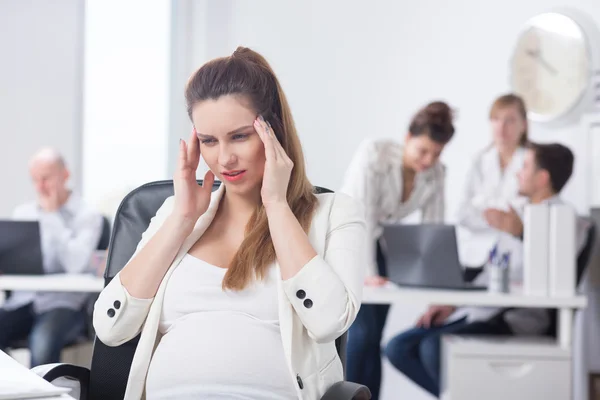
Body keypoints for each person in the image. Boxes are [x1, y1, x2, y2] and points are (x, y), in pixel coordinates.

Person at [92, 47, 367, 400]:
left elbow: (329, 321)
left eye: (239, 136)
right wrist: (182, 219)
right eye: (208, 140)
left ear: (274, 132)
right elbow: (110, 328)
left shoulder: (336, 213)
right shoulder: (175, 214)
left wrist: (278, 206)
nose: (224, 158)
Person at [384, 142, 588, 398]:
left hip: (515, 319)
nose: (517, 173)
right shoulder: (518, 213)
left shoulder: (568, 219)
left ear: (543, 177)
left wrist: (521, 233)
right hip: (480, 309)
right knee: (398, 348)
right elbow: (494, 267)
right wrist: (451, 304)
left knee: (432, 348)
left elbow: (556, 266)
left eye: (525, 167)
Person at [340, 102, 456, 399]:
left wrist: (436, 297)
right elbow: (360, 217)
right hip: (348, 242)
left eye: (437, 153)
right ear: (407, 137)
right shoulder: (373, 155)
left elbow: (433, 232)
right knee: (362, 334)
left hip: (379, 245)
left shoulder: (436, 173)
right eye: (422, 151)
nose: (429, 160)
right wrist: (367, 273)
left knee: (376, 337)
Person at [0, 148, 103, 366]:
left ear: (65, 175)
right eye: (35, 180)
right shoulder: (23, 213)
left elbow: (76, 265)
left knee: (42, 342)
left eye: (46, 178)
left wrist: (52, 215)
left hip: (64, 305)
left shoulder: (88, 216)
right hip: (24, 301)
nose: (40, 186)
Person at [456, 93, 529, 266]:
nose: (501, 127)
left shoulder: (531, 163)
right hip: (474, 258)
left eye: (510, 120)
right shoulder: (477, 161)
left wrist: (483, 207)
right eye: (496, 119)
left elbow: (529, 215)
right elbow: (462, 213)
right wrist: (500, 219)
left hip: (517, 257)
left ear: (524, 125)